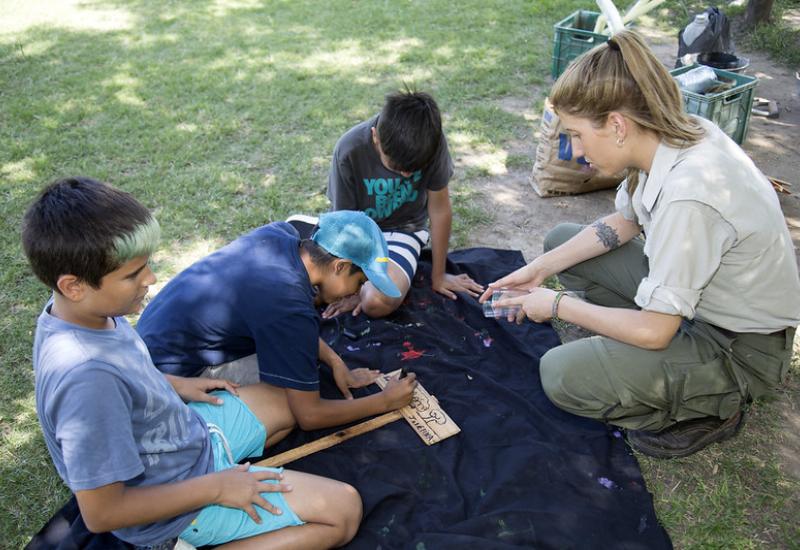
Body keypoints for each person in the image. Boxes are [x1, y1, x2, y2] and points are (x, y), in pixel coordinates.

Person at [481, 30, 800, 459]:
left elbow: (654, 331)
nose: (575, 151)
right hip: (705, 308)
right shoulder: (673, 134)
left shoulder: (690, 196)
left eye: (577, 134)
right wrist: (538, 270)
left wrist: (555, 305)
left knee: (561, 375)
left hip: (739, 348)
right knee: (562, 243)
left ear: (616, 125)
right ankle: (652, 354)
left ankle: (711, 407)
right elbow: (624, 221)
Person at [23, 177, 363, 549]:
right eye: (133, 274)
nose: (150, 278)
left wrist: (174, 384)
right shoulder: (85, 379)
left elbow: (129, 373)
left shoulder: (85, 313)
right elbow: (102, 513)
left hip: (188, 441)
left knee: (284, 402)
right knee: (344, 509)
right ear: (74, 285)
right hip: (174, 506)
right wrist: (217, 487)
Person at [137, 209, 417, 438]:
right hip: (164, 386)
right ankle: (203, 446)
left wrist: (334, 361)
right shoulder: (289, 307)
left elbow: (285, 322)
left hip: (145, 349)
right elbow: (310, 415)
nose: (356, 293)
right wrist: (384, 402)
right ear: (339, 266)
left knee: (299, 368)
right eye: (359, 282)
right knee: (287, 407)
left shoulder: (280, 235)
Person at [319, 88, 483, 319]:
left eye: (413, 169)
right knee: (312, 288)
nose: (406, 175)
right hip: (357, 233)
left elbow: (439, 210)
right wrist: (352, 286)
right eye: (396, 167)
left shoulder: (432, 143)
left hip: (403, 232)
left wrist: (439, 276)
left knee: (375, 302)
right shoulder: (349, 149)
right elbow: (345, 222)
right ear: (375, 137)